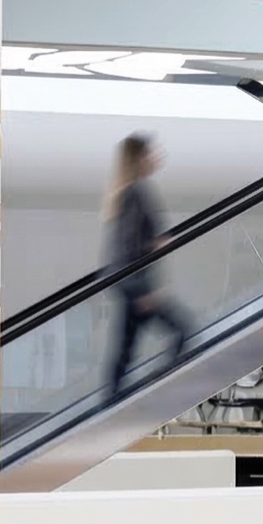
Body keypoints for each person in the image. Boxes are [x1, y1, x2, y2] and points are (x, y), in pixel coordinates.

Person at [104, 133, 188, 401]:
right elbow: (128, 246)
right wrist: (143, 290)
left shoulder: (129, 191)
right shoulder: (136, 192)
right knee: (183, 332)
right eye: (151, 152)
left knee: (124, 351)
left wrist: (155, 242)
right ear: (139, 158)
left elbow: (130, 242)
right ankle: (155, 390)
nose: (157, 156)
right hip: (134, 285)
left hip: (128, 283)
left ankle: (112, 402)